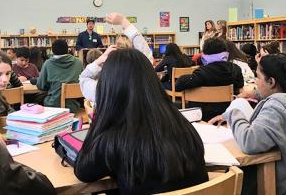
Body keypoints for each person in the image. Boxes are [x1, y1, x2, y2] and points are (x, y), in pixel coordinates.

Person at [74, 48, 209, 194]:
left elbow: (82, 171)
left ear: (108, 88)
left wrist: (96, 119)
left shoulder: (111, 141)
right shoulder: (183, 125)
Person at [209, 53, 286, 195]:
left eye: (257, 77)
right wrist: (256, 94)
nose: (255, 83)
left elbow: (249, 142)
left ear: (271, 81)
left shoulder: (275, 108)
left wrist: (234, 112)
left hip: (271, 184)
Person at [79, 12, 153, 104]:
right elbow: (148, 59)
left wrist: (101, 58)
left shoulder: (102, 91)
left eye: (92, 23)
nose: (91, 25)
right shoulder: (143, 87)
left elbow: (84, 78)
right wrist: (123, 21)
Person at [175, 37, 244, 121]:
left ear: (205, 55)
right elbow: (240, 87)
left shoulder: (202, 73)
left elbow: (178, 85)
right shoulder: (236, 69)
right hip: (227, 115)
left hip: (202, 116)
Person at [36, 39, 83, 112]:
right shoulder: (78, 63)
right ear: (68, 50)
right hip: (73, 106)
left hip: (53, 106)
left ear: (52, 51)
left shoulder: (48, 64)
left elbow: (41, 85)